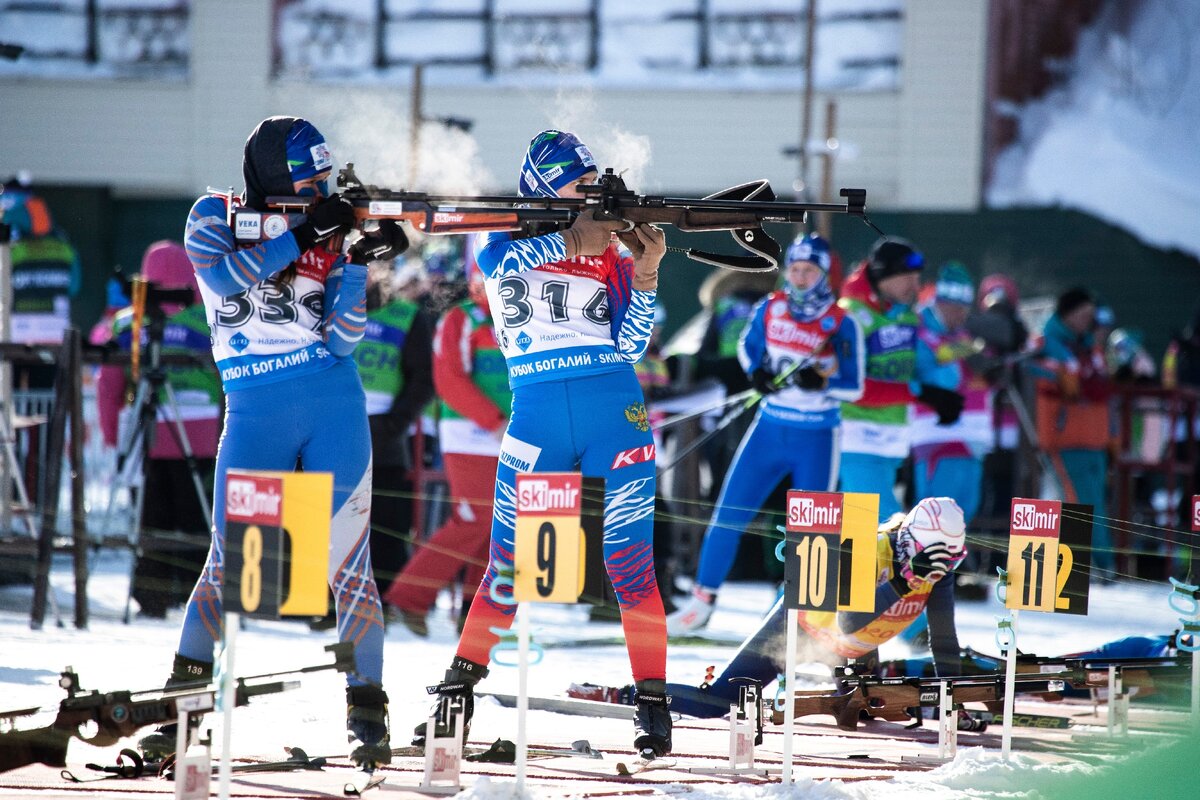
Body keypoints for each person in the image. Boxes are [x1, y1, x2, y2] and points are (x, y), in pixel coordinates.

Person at [141, 116, 405, 767]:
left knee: (349, 566)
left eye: (322, 185)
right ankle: (185, 704)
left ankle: (365, 708)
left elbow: (343, 340)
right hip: (255, 408)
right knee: (229, 561)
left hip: (333, 403)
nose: (316, 196)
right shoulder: (212, 216)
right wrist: (304, 236)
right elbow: (227, 280)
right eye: (305, 184)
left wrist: (350, 263)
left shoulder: (325, 230)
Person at [415, 130, 672, 759]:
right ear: (541, 187)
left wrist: (644, 273)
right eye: (574, 182)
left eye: (591, 183)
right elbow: (494, 267)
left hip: (615, 405)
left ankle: (654, 703)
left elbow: (630, 345)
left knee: (629, 560)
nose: (586, 192)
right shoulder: (504, 234)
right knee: (510, 566)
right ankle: (457, 695)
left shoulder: (609, 245)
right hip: (534, 418)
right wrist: (570, 239)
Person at [573, 497, 973, 723]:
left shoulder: (938, 569)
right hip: (799, 626)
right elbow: (850, 617)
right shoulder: (868, 546)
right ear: (909, 542)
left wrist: (952, 700)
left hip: (853, 647)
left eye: (948, 562)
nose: (937, 571)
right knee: (723, 705)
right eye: (932, 559)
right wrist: (903, 582)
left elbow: (944, 639)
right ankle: (632, 694)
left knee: (865, 713)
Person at [666, 233, 864, 633]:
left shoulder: (842, 322)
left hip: (817, 435)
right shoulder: (770, 308)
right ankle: (702, 601)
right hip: (769, 427)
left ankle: (805, 618)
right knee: (729, 511)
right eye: (795, 269)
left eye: (811, 270)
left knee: (814, 528)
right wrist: (757, 373)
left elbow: (855, 384)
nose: (802, 277)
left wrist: (821, 383)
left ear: (825, 274)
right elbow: (747, 347)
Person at [385, 258, 510, 635]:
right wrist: (493, 422)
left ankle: (476, 611)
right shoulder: (463, 318)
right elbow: (449, 379)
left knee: (500, 527)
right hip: (471, 434)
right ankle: (408, 598)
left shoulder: (528, 318)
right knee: (474, 519)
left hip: (516, 435)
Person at [96, 241, 221, 619]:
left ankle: (151, 593)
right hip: (200, 437)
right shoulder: (210, 320)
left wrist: (113, 436)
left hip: (147, 437)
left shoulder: (126, 323)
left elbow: (108, 386)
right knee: (199, 521)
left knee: (151, 518)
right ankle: (197, 593)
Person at [837, 239, 964, 520]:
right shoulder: (851, 315)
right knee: (888, 524)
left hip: (892, 440)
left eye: (917, 278)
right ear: (884, 276)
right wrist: (921, 392)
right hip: (855, 437)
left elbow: (918, 368)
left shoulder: (906, 315)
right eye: (907, 277)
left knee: (864, 532)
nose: (915, 285)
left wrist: (943, 388)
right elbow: (852, 387)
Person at [355, 259, 435, 599]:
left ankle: (384, 599)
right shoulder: (321, 308)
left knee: (387, 526)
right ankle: (325, 603)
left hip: (384, 439)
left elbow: (424, 380)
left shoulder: (406, 315)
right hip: (330, 433)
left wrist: (393, 425)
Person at [1029, 287, 1114, 576]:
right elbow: (1056, 381)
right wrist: (1075, 378)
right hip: (1064, 438)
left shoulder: (1090, 346)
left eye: (1090, 315)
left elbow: (1099, 386)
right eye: (1082, 314)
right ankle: (1081, 567)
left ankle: (1102, 564)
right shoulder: (1045, 343)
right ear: (1066, 313)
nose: (1087, 321)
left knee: (1096, 503)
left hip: (1094, 438)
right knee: (1076, 504)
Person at [911, 262, 991, 525]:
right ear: (942, 302)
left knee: (964, 513)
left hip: (970, 439)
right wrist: (956, 362)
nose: (960, 315)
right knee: (935, 518)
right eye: (956, 308)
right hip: (938, 439)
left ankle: (949, 567)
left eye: (964, 309)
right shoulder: (919, 329)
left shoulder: (963, 333)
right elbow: (926, 378)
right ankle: (927, 567)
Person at [0, 175, 82, 388]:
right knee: (45, 402)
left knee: (10, 404)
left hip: (11, 336)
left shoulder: (8, 247)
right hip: (54, 334)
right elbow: (74, 287)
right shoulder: (63, 244)